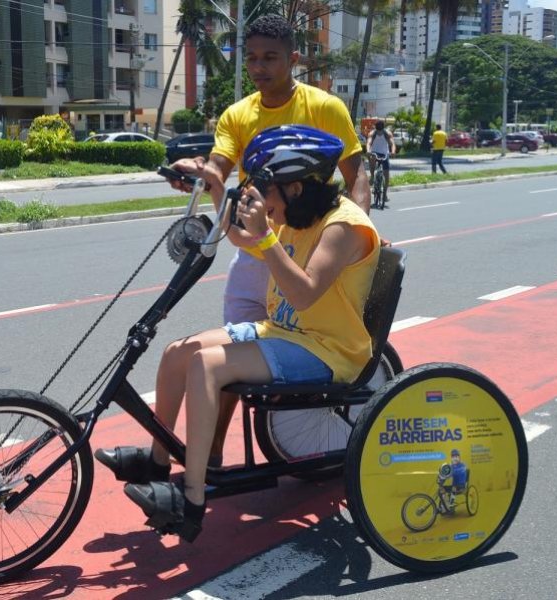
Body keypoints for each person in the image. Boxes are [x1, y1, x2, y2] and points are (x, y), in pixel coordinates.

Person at [95, 125, 381, 541]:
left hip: (327, 348)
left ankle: (192, 499)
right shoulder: (301, 214)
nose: (261, 199)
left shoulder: (342, 226)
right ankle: (159, 462)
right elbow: (245, 241)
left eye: (267, 189)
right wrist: (216, 186)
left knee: (207, 366)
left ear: (296, 188)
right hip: (286, 332)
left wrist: (265, 235)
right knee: (179, 350)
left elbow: (302, 293)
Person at [160, 14, 370, 468]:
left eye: (270, 58)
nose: (259, 67)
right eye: (251, 58)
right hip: (255, 251)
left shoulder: (325, 107)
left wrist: (352, 241)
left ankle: (204, 466)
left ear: (293, 59)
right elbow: (219, 164)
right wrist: (198, 174)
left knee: (247, 356)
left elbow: (357, 176)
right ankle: (211, 456)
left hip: (310, 250)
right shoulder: (239, 114)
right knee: (227, 359)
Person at [366, 120, 397, 202]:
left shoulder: (387, 133)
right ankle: (372, 176)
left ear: (383, 128)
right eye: (378, 130)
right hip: (374, 152)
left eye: (381, 131)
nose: (379, 132)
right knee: (372, 158)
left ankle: (385, 194)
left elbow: (392, 143)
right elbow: (369, 143)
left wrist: (393, 152)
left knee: (386, 176)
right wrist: (368, 151)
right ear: (376, 128)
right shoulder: (373, 133)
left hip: (384, 153)